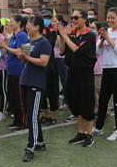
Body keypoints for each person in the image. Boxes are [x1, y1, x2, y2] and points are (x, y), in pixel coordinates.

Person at [56, 9, 97, 148]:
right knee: (74, 101)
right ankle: (81, 132)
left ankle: (89, 134)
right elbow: (62, 51)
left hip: (85, 73)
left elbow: (77, 50)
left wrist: (65, 36)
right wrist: (62, 37)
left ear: (84, 19)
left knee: (86, 102)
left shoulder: (90, 35)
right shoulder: (72, 34)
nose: (73, 20)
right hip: (72, 71)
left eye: (76, 17)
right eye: (72, 18)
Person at [93, 8, 117, 141]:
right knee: (103, 100)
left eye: (112, 18)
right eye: (108, 17)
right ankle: (99, 127)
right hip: (107, 68)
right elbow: (98, 51)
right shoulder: (107, 31)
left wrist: (108, 38)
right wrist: (102, 39)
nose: (110, 20)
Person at [17, 16, 52, 162]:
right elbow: (26, 60)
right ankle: (40, 142)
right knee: (29, 115)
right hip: (26, 81)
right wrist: (22, 57)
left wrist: (26, 57)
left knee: (32, 116)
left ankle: (31, 146)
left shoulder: (44, 43)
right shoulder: (29, 41)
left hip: (36, 84)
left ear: (37, 27)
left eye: (29, 24)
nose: (26, 27)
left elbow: (43, 62)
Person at [0, 14, 29, 131]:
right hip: (11, 70)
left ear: (19, 23)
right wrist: (6, 46)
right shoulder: (13, 37)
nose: (9, 24)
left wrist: (5, 47)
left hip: (19, 71)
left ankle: (23, 122)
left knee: (20, 98)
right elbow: (10, 53)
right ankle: (16, 120)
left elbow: (19, 51)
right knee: (13, 97)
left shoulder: (22, 36)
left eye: (11, 22)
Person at [39, 10, 59, 125]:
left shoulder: (52, 32)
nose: (46, 19)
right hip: (39, 65)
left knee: (51, 91)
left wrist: (42, 35)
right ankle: (45, 115)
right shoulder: (37, 31)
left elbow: (49, 45)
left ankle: (53, 116)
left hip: (49, 64)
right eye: (44, 17)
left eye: (48, 18)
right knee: (42, 92)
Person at [52, 14, 69, 109]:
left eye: (55, 21)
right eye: (53, 21)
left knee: (64, 80)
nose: (53, 23)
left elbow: (61, 42)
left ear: (60, 22)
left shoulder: (63, 32)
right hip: (54, 58)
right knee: (55, 80)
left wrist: (59, 32)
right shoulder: (53, 32)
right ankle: (56, 101)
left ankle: (66, 101)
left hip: (61, 58)